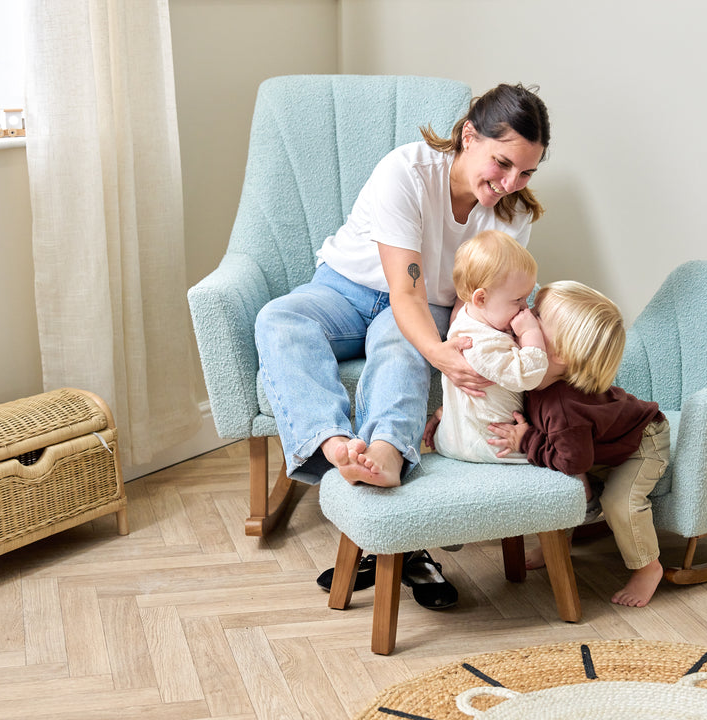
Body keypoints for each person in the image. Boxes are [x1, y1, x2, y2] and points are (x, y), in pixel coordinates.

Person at [253, 83, 551, 608]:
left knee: (399, 341)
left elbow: (483, 302)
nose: (510, 183)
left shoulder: (513, 214)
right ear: (468, 136)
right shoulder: (407, 171)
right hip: (346, 288)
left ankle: (385, 454)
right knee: (280, 318)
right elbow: (404, 287)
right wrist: (439, 354)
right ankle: (333, 443)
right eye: (502, 163)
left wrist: (474, 351)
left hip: (427, 307)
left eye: (525, 172)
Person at [486, 281, 671, 608]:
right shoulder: (536, 372)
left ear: (559, 353)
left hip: (642, 443)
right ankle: (558, 541)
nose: (525, 314)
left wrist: (526, 439)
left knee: (618, 502)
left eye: (537, 315)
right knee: (560, 478)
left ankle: (647, 567)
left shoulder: (564, 407)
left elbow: (571, 461)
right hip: (593, 443)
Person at [428, 230, 547, 464]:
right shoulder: (480, 343)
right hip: (488, 443)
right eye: (518, 300)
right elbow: (529, 375)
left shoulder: (470, 318)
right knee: (554, 454)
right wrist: (530, 333)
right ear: (480, 299)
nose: (526, 308)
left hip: (461, 436)